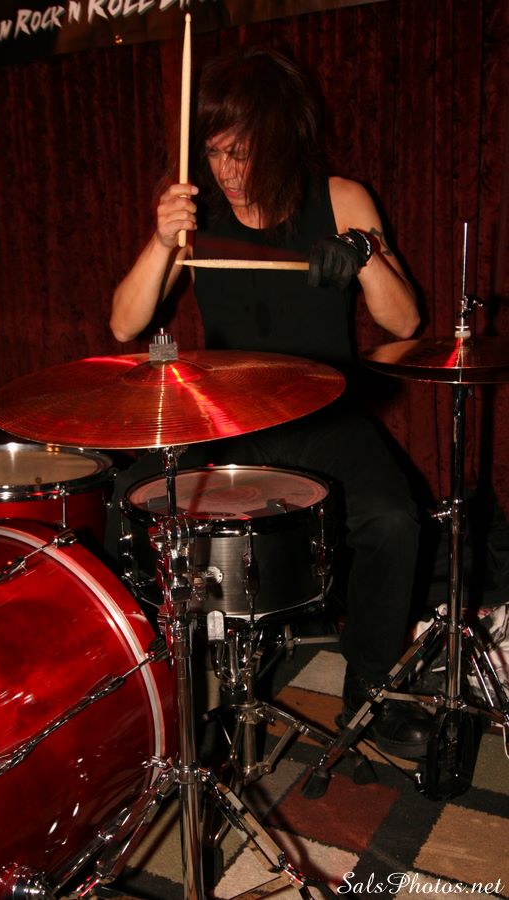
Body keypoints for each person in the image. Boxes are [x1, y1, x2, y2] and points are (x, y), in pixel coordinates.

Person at [110, 47, 432, 758]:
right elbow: (125, 324)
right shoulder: (195, 212)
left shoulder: (341, 197)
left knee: (392, 518)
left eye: (242, 152)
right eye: (215, 151)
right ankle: (160, 694)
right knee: (133, 502)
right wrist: (161, 241)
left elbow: (406, 321)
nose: (226, 170)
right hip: (226, 415)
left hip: (326, 410)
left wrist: (365, 253)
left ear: (283, 139)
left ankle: (369, 689)